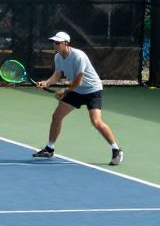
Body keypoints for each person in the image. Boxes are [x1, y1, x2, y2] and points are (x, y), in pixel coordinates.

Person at [33, 31, 123, 166]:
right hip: (76, 91)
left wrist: (64, 91)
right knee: (56, 116)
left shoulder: (78, 56)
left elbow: (78, 81)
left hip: (92, 90)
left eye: (57, 42)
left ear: (66, 43)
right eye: (54, 42)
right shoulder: (58, 57)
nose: (54, 45)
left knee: (97, 122)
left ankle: (116, 149)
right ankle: (49, 148)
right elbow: (57, 75)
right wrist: (46, 82)